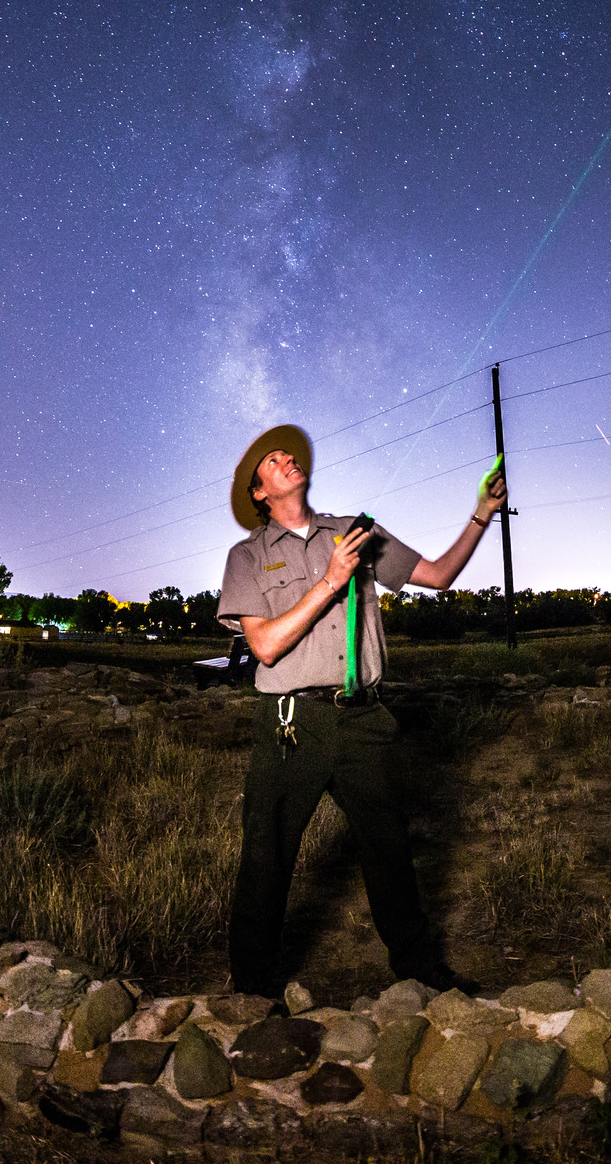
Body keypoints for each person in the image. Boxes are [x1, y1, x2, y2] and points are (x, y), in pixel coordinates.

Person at [216, 423, 507, 998]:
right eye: (273, 461)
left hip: (363, 719)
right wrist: (331, 581)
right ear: (259, 492)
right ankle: (250, 991)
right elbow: (266, 646)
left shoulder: (355, 533)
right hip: (290, 724)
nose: (288, 460)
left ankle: (420, 972)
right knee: (267, 855)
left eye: (290, 454)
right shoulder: (246, 557)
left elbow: (440, 577)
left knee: (390, 848)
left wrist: (482, 513)